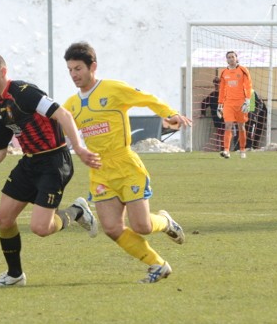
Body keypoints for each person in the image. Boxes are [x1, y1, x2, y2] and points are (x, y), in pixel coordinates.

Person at [0, 54, 101, 287]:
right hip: (29, 163)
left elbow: (63, 114)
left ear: (3, 72)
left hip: (54, 162)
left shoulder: (23, 92)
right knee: (3, 219)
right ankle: (15, 275)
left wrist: (78, 147)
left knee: (41, 228)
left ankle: (76, 211)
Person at [63, 42, 191, 284]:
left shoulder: (112, 89)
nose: (74, 75)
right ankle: (157, 264)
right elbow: (58, 128)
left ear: (93, 67)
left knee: (141, 225)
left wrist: (169, 113)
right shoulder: (70, 105)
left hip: (126, 164)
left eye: (78, 68)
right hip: (99, 170)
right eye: (70, 70)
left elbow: (145, 98)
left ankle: (165, 222)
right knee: (111, 228)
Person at [217, 50, 252, 159]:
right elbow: (222, 89)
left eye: (233, 57)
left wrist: (248, 101)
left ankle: (242, 150)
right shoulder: (223, 72)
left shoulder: (243, 70)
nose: (231, 59)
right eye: (229, 57)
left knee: (241, 126)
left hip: (241, 103)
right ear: (226, 60)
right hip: (228, 103)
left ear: (236, 58)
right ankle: (226, 150)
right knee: (228, 125)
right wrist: (220, 104)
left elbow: (248, 85)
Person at [199, 76, 224, 152]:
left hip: (225, 115)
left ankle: (222, 147)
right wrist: (203, 113)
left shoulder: (224, 94)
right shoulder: (212, 95)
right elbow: (204, 103)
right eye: (215, 85)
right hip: (216, 116)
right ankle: (219, 147)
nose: (216, 86)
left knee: (224, 131)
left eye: (217, 85)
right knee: (220, 131)